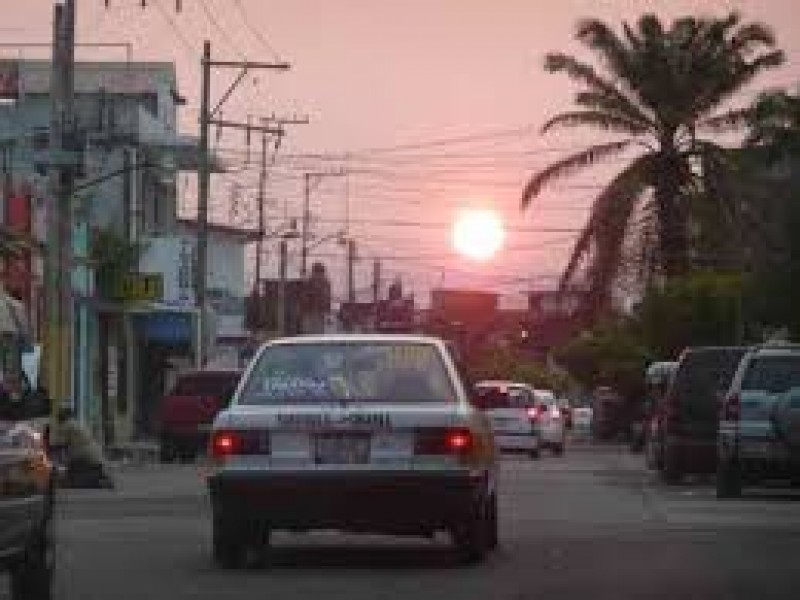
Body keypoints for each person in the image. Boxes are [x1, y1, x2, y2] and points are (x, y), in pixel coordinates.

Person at [52, 407, 114, 489]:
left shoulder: (67, 425)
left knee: (70, 478)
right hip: (95, 455)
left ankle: (96, 483)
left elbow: (59, 443)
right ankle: (99, 478)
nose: (57, 419)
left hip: (85, 455)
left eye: (58, 416)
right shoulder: (77, 423)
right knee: (71, 469)